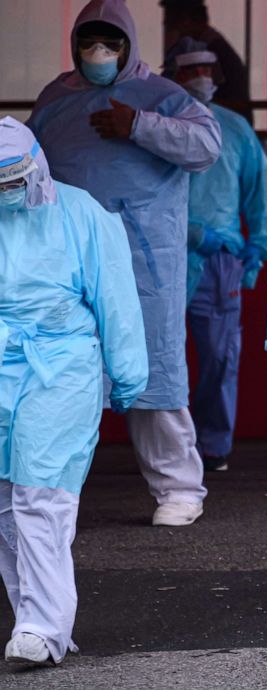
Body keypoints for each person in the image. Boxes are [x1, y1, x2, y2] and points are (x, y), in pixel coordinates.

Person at [28, 0, 221, 527]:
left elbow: (206, 145)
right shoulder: (55, 99)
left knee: (155, 368)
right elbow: (26, 163)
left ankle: (180, 489)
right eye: (89, 42)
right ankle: (50, 489)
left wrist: (138, 124)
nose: (98, 53)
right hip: (71, 259)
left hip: (145, 259)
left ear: (129, 45)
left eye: (110, 43)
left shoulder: (163, 97)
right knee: (65, 370)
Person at [0, 118, 148, 666]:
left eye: (16, 178)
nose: (10, 191)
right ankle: (31, 619)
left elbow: (116, 297)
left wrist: (128, 371)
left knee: (42, 496)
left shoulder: (81, 214)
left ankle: (43, 626)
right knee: (4, 501)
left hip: (60, 366)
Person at [164, 38, 267, 472]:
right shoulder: (159, 127)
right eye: (191, 70)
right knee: (161, 353)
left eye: (208, 71)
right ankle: (167, 447)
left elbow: (262, 194)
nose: (202, 79)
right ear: (171, 76)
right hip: (163, 256)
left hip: (219, 262)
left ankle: (212, 445)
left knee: (219, 357)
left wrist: (257, 247)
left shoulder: (234, 130)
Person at [160, 0, 253, 122]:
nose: (166, 24)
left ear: (186, 20)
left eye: (172, 23)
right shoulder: (214, 46)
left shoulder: (209, 51)